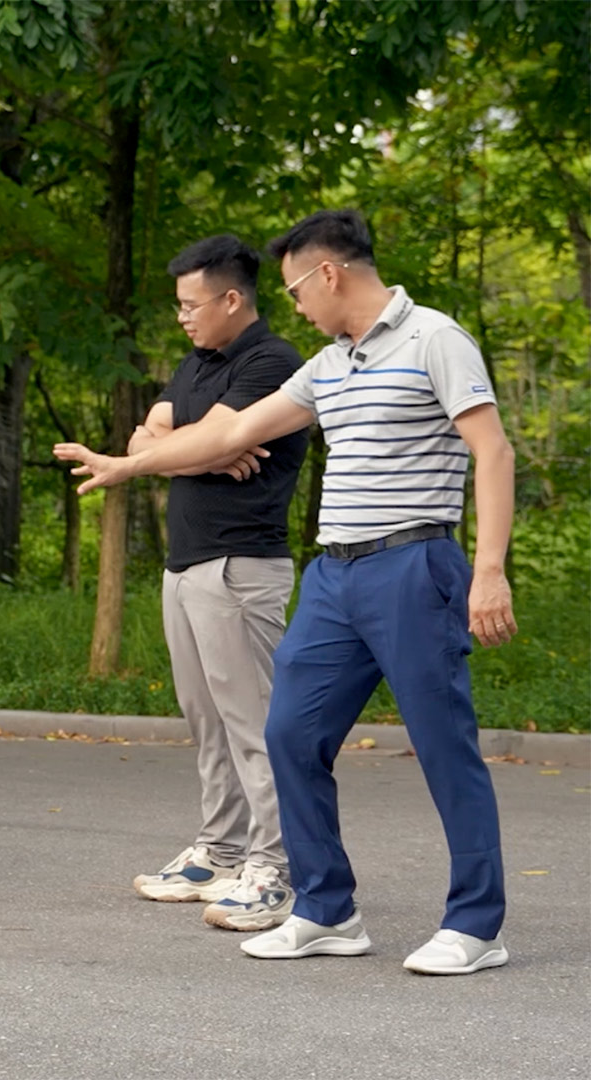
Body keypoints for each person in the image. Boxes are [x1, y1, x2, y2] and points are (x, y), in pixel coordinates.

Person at [55, 209, 517, 976]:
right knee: (289, 734)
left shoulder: (434, 338)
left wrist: (490, 569)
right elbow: (230, 434)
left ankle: (476, 924)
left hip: (412, 563)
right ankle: (327, 910)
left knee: (443, 746)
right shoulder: (328, 365)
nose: (294, 305)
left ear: (329, 273)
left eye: (298, 289)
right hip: (334, 576)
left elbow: (492, 451)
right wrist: (128, 464)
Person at [127, 235, 308, 934]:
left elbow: (204, 439)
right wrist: (199, 454)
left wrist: (189, 447)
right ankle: (221, 852)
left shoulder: (271, 360)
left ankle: (276, 867)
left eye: (190, 304)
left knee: (255, 724)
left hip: (240, 568)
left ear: (232, 299)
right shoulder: (196, 364)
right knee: (206, 720)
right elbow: (147, 439)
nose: (182, 317)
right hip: (186, 566)